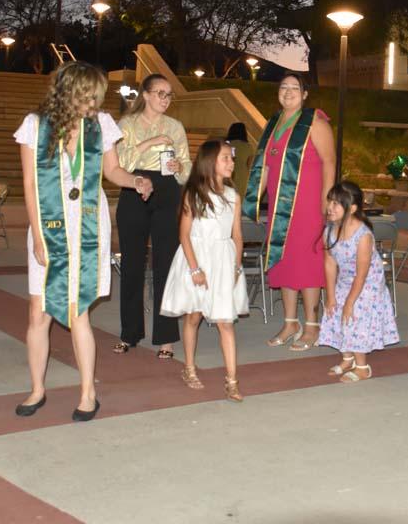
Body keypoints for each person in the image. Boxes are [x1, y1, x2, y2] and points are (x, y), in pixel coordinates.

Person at [13, 62, 154, 421]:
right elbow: (29, 183)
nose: (97, 100)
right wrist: (38, 237)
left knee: (79, 313)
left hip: (89, 225)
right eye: (91, 93)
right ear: (71, 90)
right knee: (38, 313)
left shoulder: (102, 124)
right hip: (48, 224)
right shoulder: (35, 125)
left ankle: (88, 393)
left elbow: (111, 171)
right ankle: (37, 389)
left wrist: (135, 180)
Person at [243, 72, 336, 351]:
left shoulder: (315, 123)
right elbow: (266, 168)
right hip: (279, 208)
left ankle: (311, 325)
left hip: (308, 206)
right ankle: (290, 322)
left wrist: (326, 204)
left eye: (294, 88)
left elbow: (330, 163)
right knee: (282, 260)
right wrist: (248, 199)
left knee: (307, 263)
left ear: (305, 94)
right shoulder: (274, 124)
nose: (288, 91)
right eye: (283, 87)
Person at [160, 140, 249, 402]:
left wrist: (236, 266)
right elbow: (184, 235)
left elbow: (237, 235)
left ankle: (232, 380)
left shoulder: (233, 196)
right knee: (193, 317)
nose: (231, 163)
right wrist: (194, 268)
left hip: (223, 260)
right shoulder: (194, 194)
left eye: (231, 159)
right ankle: (189, 367)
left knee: (225, 321)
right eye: (225, 158)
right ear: (211, 162)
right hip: (196, 259)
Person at [114, 73, 192, 358]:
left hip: (167, 189)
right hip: (133, 187)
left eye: (169, 94)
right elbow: (119, 162)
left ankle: (166, 338)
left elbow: (186, 168)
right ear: (145, 95)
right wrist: (151, 142)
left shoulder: (176, 126)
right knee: (132, 264)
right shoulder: (127, 124)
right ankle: (129, 333)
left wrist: (178, 165)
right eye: (160, 93)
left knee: (166, 266)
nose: (165, 99)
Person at [318, 181, 400, 382]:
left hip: (368, 282)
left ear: (352, 208)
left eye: (336, 204)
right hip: (346, 278)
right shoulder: (329, 231)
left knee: (354, 314)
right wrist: (330, 296)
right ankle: (347, 358)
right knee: (335, 310)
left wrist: (349, 302)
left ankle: (362, 366)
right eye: (330, 201)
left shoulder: (363, 235)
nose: (330, 207)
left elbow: (362, 275)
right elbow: (329, 263)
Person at [224, 122, 253, 200]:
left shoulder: (225, 145)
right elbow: (250, 164)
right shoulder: (248, 147)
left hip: (227, 176)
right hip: (243, 177)